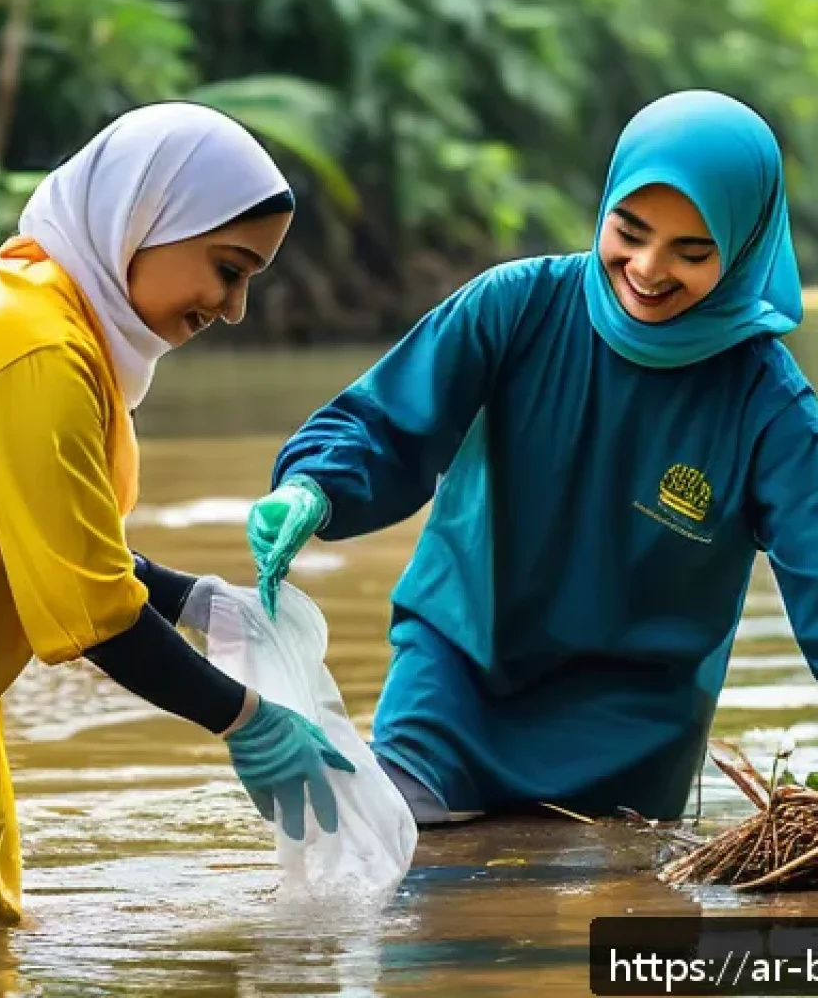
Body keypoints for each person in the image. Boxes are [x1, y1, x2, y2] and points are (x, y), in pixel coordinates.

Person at [0, 101, 354, 939]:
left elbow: (58, 541)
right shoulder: (34, 348)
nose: (232, 307)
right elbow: (93, 616)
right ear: (144, 220)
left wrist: (193, 598)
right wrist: (244, 718)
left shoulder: (44, 324)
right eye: (228, 268)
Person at [246, 89, 814, 827]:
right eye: (630, 231)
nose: (647, 268)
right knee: (397, 869)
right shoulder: (514, 307)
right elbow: (385, 425)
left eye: (691, 251)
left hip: (632, 728)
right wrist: (315, 487)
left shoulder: (768, 405)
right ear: (604, 207)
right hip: (458, 671)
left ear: (741, 250)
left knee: (576, 923)